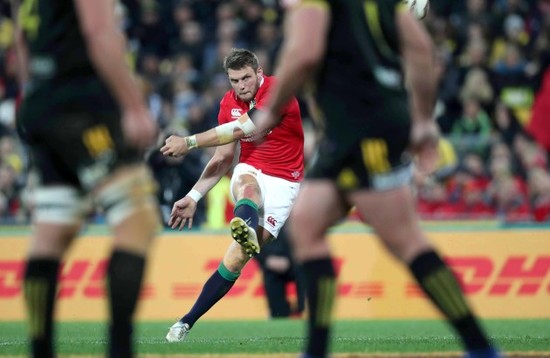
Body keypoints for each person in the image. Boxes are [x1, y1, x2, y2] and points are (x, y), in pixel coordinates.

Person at [255, 1, 501, 357]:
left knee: (406, 240)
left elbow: (305, 52)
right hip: (355, 128)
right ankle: (316, 350)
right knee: (306, 224)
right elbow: (420, 49)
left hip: (361, 127)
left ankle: (480, 347)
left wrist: (271, 110)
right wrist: (421, 119)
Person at [14, 1, 160, 357]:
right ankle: (121, 349)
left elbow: (21, 41)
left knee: (53, 230)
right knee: (137, 221)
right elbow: (99, 32)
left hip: (41, 105)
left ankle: (40, 349)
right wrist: (134, 106)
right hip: (83, 107)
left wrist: (37, 96)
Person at [160, 48, 304, 342]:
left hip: (286, 181)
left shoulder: (278, 91)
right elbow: (224, 158)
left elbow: (243, 128)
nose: (241, 86)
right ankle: (183, 324)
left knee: (236, 259)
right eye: (234, 80)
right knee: (247, 184)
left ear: (259, 72)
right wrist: (194, 196)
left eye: (246, 78)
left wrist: (189, 142)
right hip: (252, 168)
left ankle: (189, 318)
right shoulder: (229, 102)